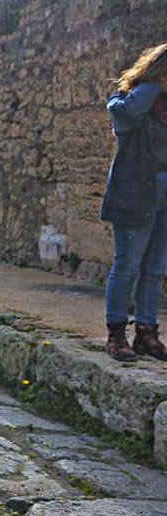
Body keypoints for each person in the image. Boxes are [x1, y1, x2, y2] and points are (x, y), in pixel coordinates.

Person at [102, 43, 167, 361]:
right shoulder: (133, 104)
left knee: (155, 268)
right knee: (127, 265)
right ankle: (117, 335)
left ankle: (146, 333)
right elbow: (124, 111)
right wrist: (153, 84)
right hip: (137, 189)